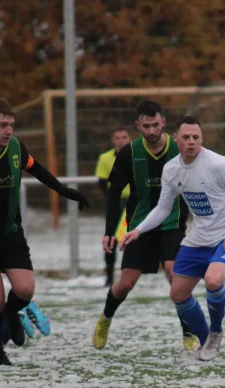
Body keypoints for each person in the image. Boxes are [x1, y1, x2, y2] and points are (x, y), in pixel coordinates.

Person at [0, 98, 88, 366]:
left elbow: (37, 169)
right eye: (2, 125)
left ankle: (12, 316)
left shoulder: (15, 148)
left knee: (25, 290)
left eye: (11, 125)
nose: (9, 130)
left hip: (10, 234)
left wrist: (64, 191)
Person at [120, 116, 225, 361]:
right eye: (186, 137)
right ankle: (207, 341)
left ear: (202, 139)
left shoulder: (218, 164)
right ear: (176, 139)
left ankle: (216, 332)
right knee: (178, 294)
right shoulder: (172, 169)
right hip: (198, 238)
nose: (191, 142)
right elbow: (163, 208)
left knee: (213, 280)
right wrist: (138, 230)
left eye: (196, 137)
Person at [92, 100, 198, 351]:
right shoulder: (129, 152)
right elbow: (114, 191)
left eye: (155, 125)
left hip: (172, 224)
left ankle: (188, 331)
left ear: (163, 123)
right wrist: (109, 231)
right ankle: (105, 318)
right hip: (139, 226)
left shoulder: (178, 147)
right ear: (138, 126)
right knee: (126, 283)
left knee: (175, 275)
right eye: (146, 126)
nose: (151, 131)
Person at [95, 128, 131, 286]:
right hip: (116, 203)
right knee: (112, 239)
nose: (121, 140)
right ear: (113, 140)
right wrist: (111, 199)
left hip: (135, 202)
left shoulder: (137, 156)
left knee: (134, 239)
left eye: (124, 137)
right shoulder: (105, 158)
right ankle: (109, 275)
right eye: (117, 137)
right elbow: (102, 182)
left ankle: (132, 272)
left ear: (129, 138)